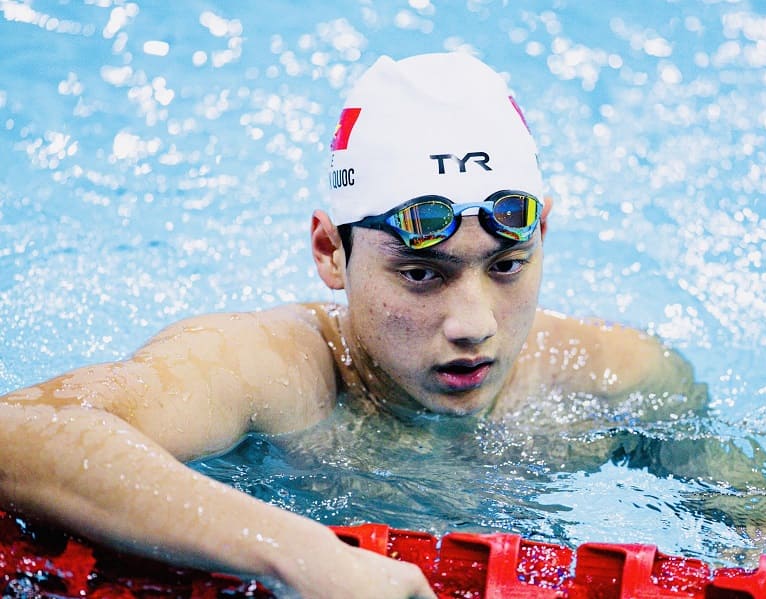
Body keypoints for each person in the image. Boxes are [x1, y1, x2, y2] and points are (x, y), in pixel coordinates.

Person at [0, 53, 705, 599]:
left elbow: (759, 524)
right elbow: (21, 432)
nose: (473, 325)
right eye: (421, 273)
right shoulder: (278, 371)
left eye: (507, 265)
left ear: (542, 232)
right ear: (329, 252)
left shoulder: (621, 377)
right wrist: (300, 554)